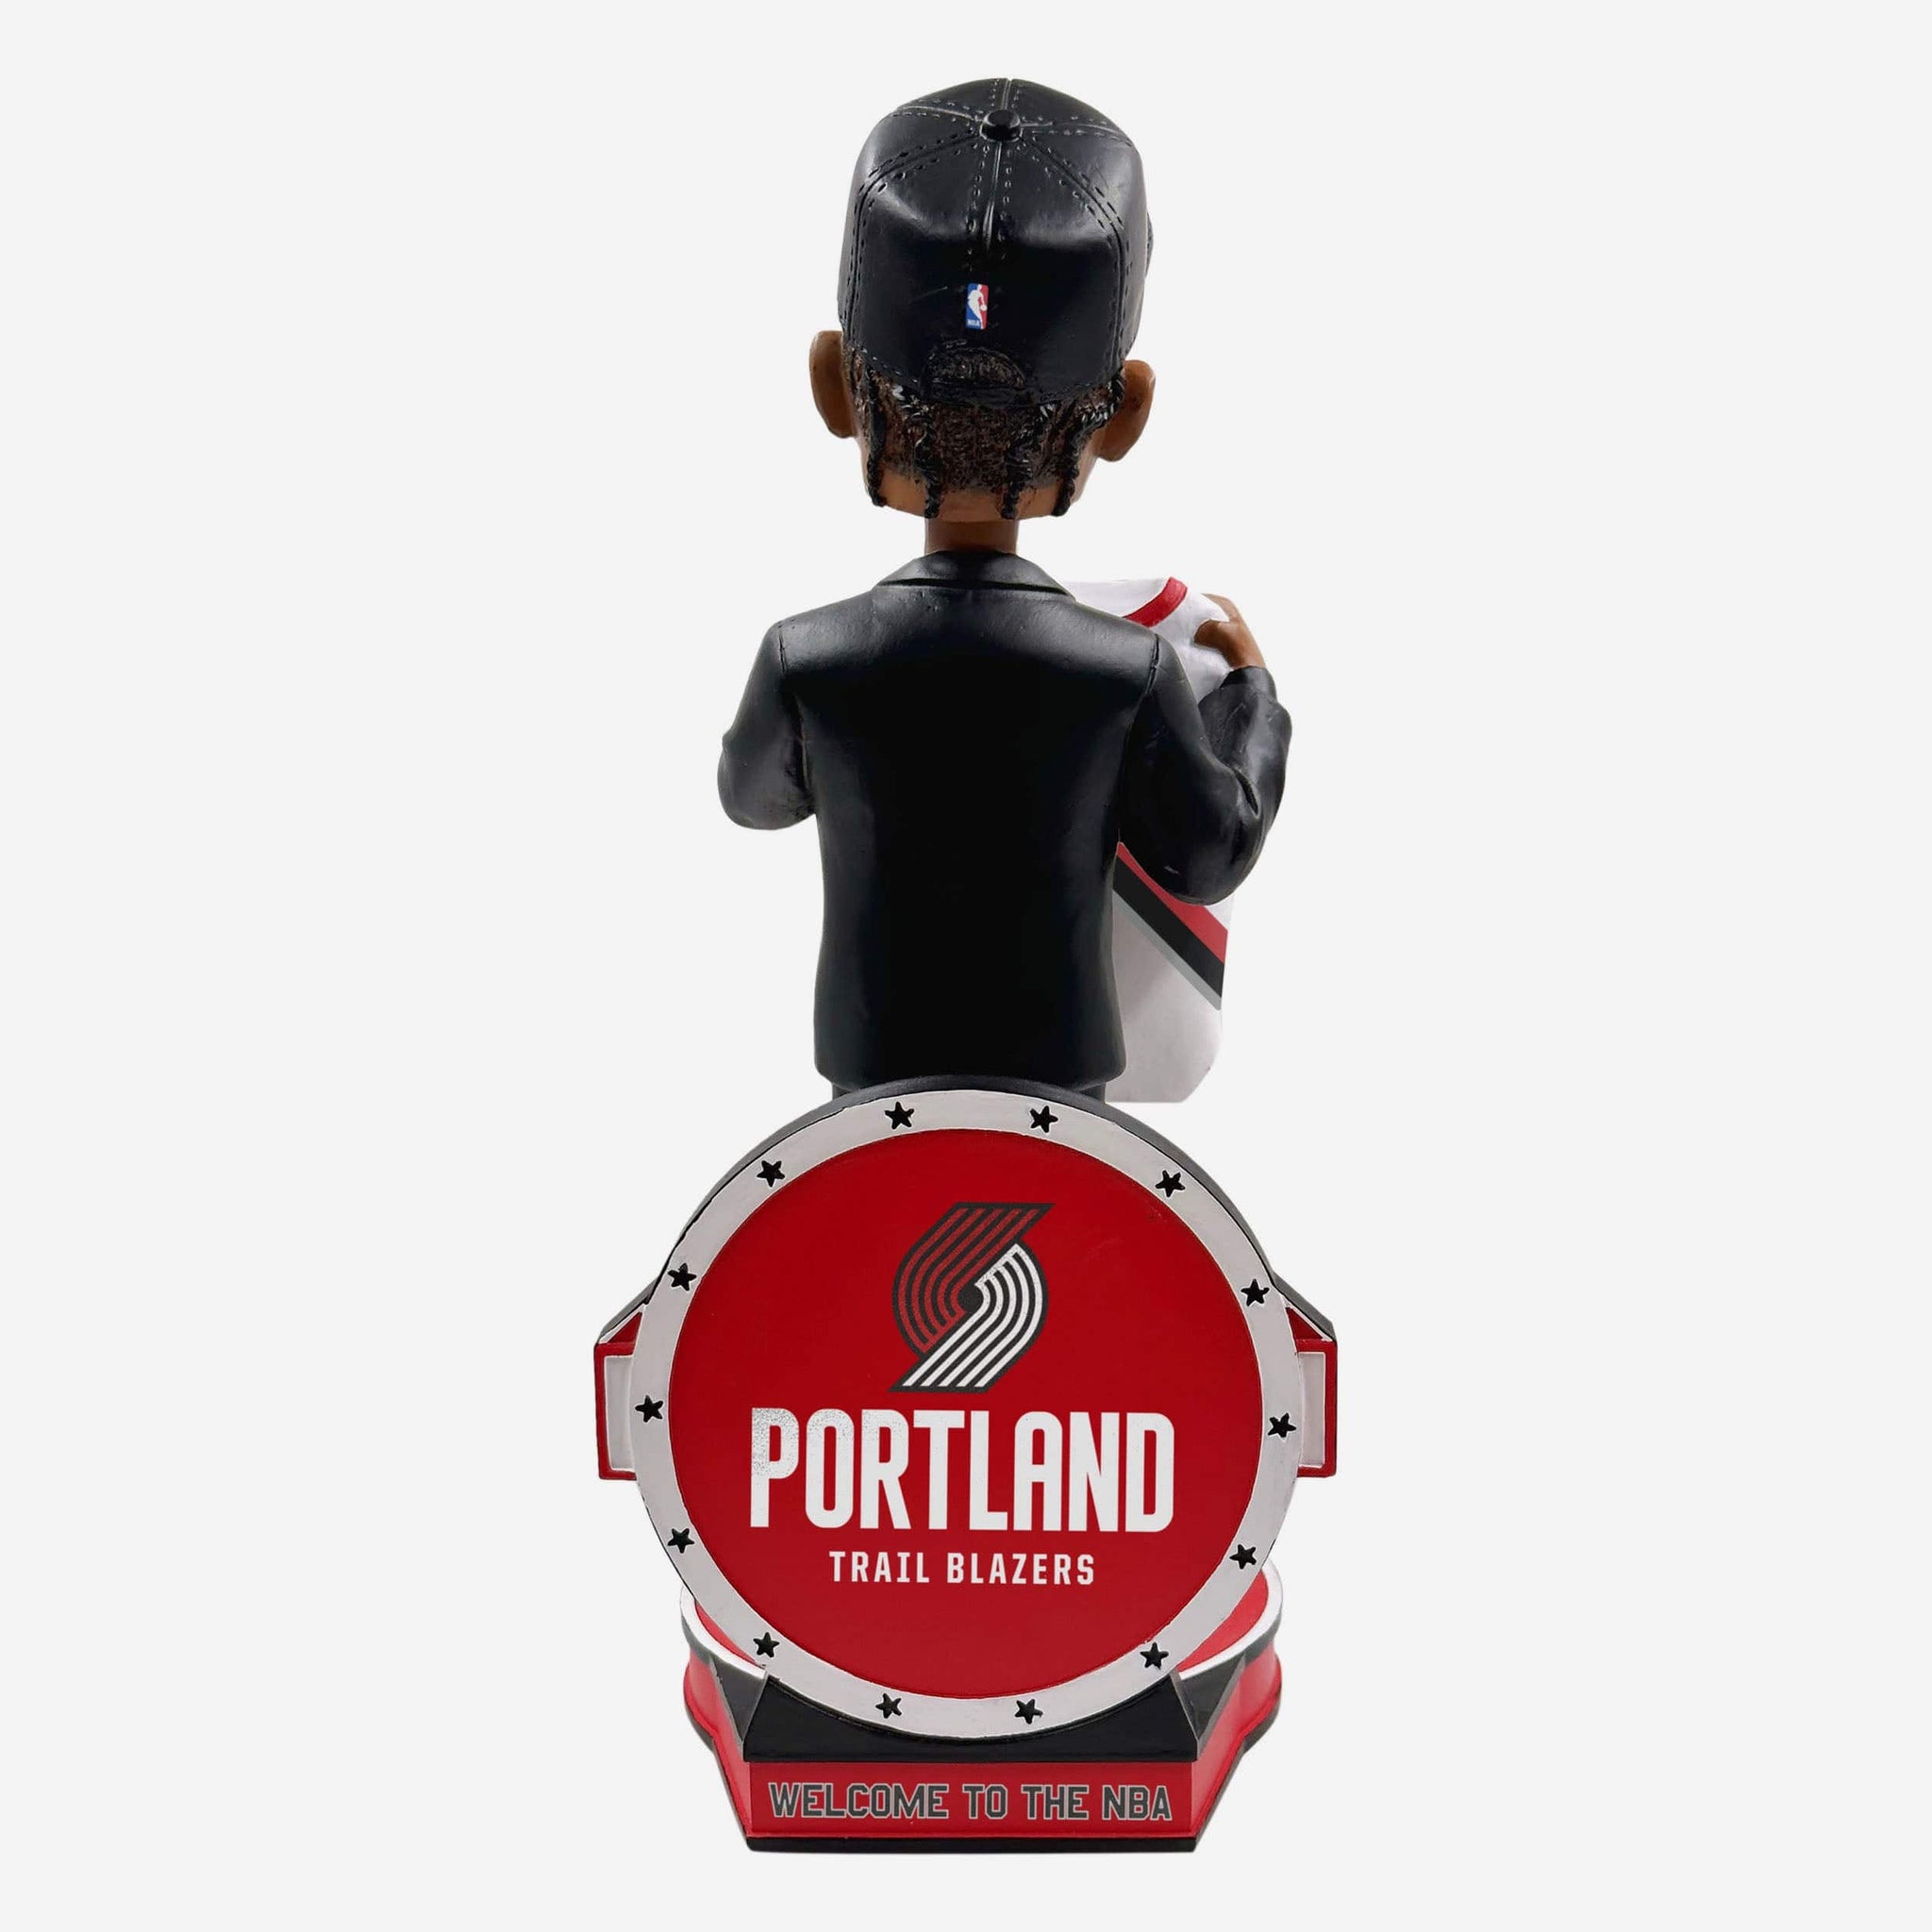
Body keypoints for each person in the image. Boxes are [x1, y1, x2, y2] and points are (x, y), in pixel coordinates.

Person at [718, 79, 1290, 1098]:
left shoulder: (805, 656)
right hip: (1062, 1090)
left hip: (869, 1079)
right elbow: (1208, 854)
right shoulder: (1129, 669)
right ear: (1124, 414)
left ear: (833, 386)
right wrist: (1249, 695)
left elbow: (751, 800)